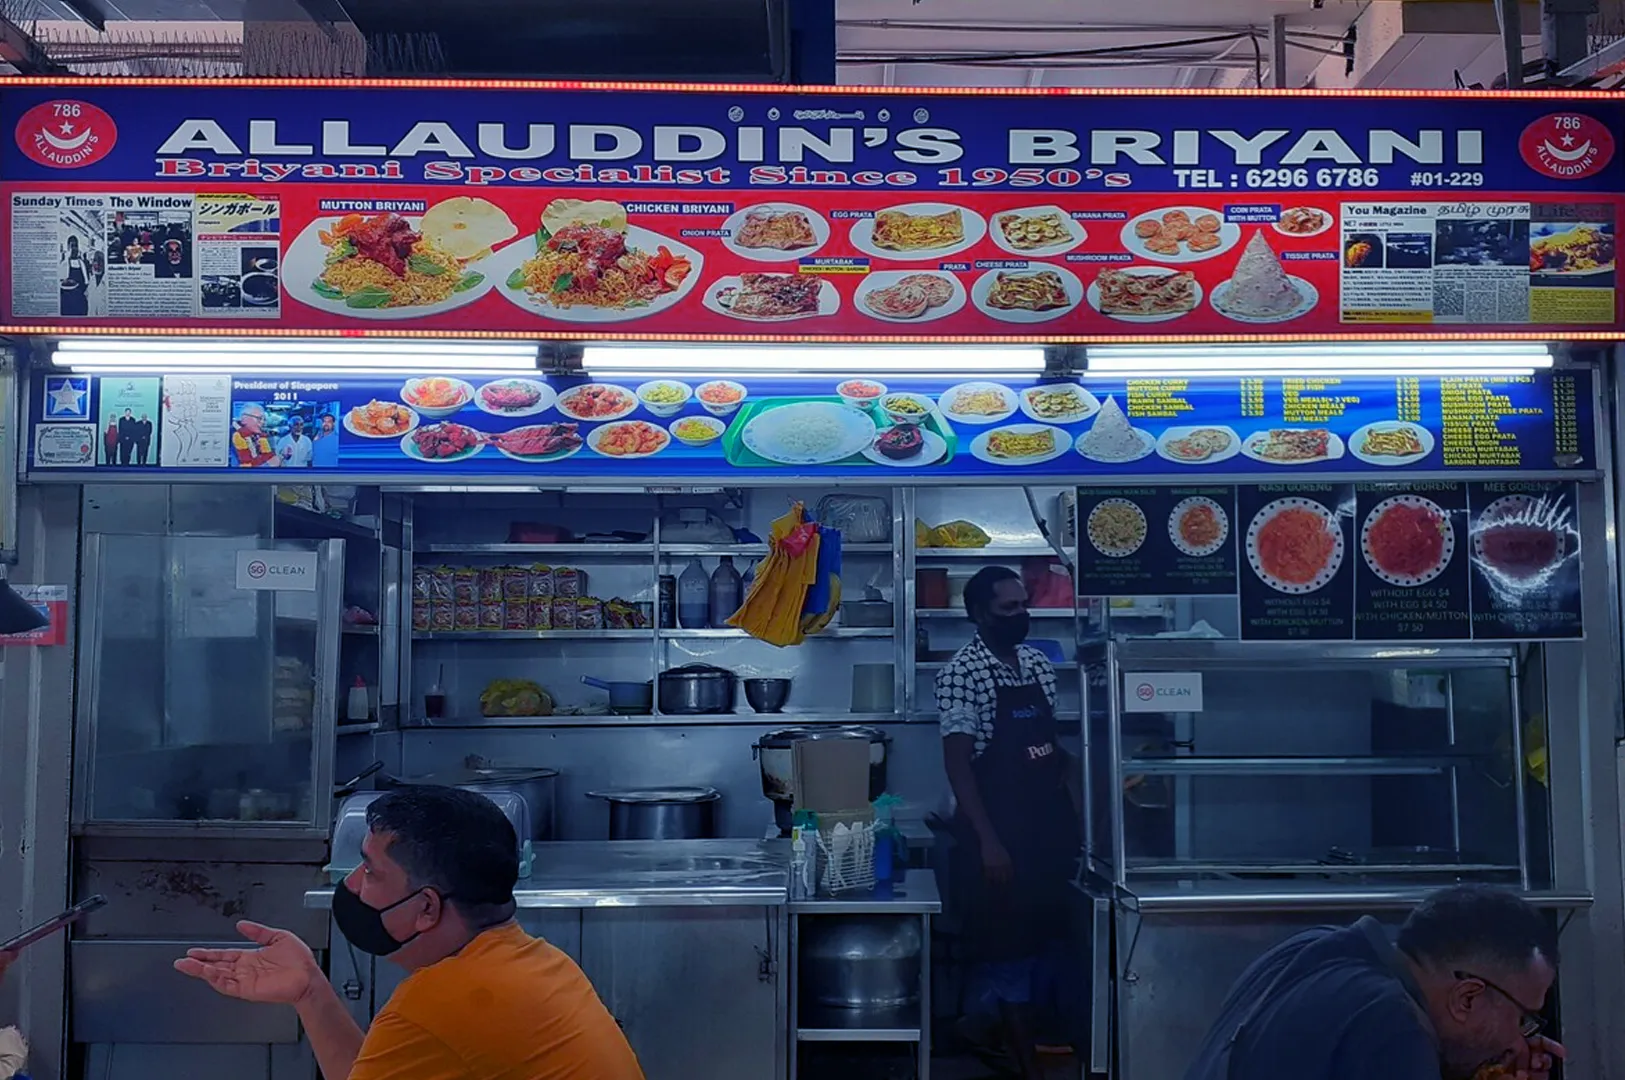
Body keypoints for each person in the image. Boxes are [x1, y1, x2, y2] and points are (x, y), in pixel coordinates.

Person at [176, 785, 643, 1080]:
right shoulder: (536, 962)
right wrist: (310, 991)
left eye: (369, 870)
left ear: (426, 907)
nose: (352, 884)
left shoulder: (440, 1002)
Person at [1183, 884, 1564, 1080]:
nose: (1520, 1042)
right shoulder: (1393, 1029)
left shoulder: (1318, 946)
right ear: (1466, 998)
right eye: (1522, 1020)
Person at [936, 565, 1081, 1079]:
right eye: (1009, 609)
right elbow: (958, 764)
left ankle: (1006, 1035)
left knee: (1046, 942)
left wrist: (1080, 809)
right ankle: (1027, 1070)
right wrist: (989, 843)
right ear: (979, 614)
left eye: (1024, 606)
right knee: (1009, 950)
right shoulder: (963, 672)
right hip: (1000, 833)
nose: (1021, 616)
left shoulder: (1038, 665)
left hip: (1047, 831)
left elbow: (1050, 748)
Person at [59, 235, 88, 317]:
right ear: (68, 247)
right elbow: (61, 281)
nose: (74, 249)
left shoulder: (81, 263)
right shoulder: (64, 263)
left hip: (79, 299)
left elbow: (86, 282)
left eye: (76, 246)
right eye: (72, 246)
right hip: (67, 300)